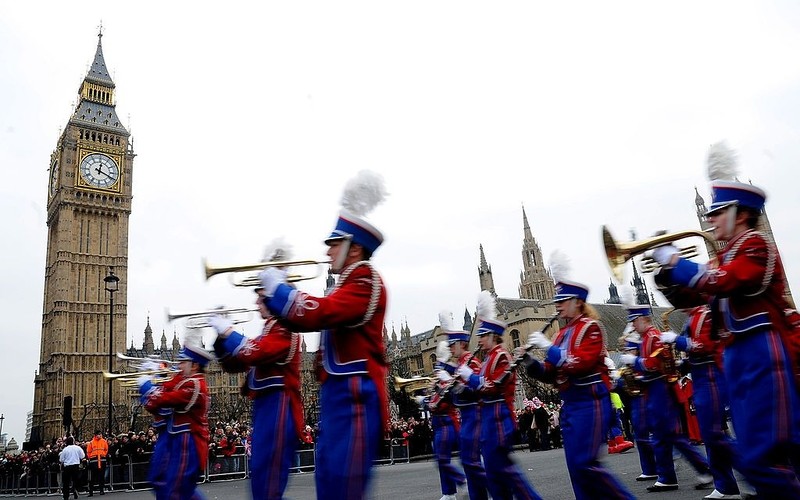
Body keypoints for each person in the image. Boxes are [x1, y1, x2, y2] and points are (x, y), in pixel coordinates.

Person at [259, 170, 388, 500]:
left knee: (341, 490)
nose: (329, 252)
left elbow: (317, 313)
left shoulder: (364, 281)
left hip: (354, 399)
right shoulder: (348, 284)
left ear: (354, 248)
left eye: (335, 245)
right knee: (330, 488)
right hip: (337, 400)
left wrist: (278, 289)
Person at [519, 279, 635, 500]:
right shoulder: (561, 334)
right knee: (576, 469)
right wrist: (529, 362)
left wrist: (548, 347)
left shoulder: (591, 328)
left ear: (577, 302)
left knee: (585, 464)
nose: (558, 305)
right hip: (571, 405)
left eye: (563, 301)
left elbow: (580, 363)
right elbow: (551, 374)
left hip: (590, 401)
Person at [211, 258, 304, 500]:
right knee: (261, 483)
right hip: (266, 408)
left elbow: (255, 352)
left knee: (267, 486)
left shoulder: (285, 329)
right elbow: (237, 363)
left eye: (260, 296)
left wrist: (229, 332)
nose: (256, 302)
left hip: (279, 408)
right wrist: (221, 340)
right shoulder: (270, 330)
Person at [457, 290, 542, 500]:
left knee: (506, 472)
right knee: (495, 476)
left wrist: (471, 378)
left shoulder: (501, 356)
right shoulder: (488, 359)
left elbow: (491, 386)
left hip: (499, 417)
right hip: (488, 419)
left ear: (493, 336)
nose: (480, 340)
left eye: (483, 336)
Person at [619, 305, 712, 492]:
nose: (633, 326)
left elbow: (655, 364)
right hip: (652, 391)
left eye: (635, 321)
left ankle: (702, 467)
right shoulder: (645, 339)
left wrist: (635, 362)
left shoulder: (654, 337)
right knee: (661, 436)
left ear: (644, 319)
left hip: (661, 390)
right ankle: (667, 476)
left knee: (670, 435)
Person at [659, 305, 740, 500]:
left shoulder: (706, 314)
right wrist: (682, 363)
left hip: (712, 376)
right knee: (711, 435)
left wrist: (677, 340)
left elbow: (705, 344)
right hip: (701, 376)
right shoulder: (693, 317)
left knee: (715, 434)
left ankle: (756, 474)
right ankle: (725, 485)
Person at [138, 343, 212, 500]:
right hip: (178, 439)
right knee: (160, 481)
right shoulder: (184, 379)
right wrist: (157, 372)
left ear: (194, 366)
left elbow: (162, 398)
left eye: (183, 362)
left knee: (175, 492)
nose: (179, 365)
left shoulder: (195, 385)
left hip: (189, 443)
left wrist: (146, 385)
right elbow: (167, 386)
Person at [437, 321, 489, 500]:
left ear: (462, 344)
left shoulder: (471, 361)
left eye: (453, 345)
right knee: (468, 462)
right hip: (465, 416)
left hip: (474, 414)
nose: (451, 348)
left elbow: (480, 388)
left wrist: (460, 387)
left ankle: (495, 488)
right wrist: (448, 390)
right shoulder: (460, 364)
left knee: (471, 461)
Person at [59, 435, 85, 500]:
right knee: (75, 479)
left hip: (67, 466)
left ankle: (66, 496)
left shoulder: (65, 449)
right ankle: (74, 488)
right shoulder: (78, 448)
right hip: (75, 466)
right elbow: (82, 456)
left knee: (66, 482)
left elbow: (61, 459)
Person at [85, 430, 108, 496]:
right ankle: (91, 491)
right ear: (95, 435)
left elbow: (106, 449)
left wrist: (103, 455)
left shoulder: (104, 441)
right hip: (94, 461)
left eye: (100, 434)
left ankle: (101, 490)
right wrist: (91, 457)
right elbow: (88, 452)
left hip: (101, 460)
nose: (100, 435)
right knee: (92, 478)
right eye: (98, 434)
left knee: (101, 477)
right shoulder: (91, 443)